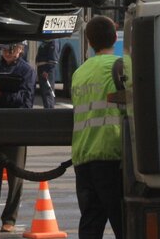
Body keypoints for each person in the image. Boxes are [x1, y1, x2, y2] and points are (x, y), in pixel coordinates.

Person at [71, 15, 125, 239]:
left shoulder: (79, 73)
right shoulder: (121, 67)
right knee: (123, 222)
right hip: (111, 155)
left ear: (89, 42)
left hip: (83, 157)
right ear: (115, 37)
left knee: (91, 222)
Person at [0, 41, 35, 233]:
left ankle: (10, 218)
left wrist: (0, 94)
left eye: (12, 49)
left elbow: (26, 102)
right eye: (5, 49)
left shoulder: (26, 71)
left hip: (16, 129)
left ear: (21, 49)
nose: (8, 52)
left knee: (16, 176)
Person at [34, 39, 59, 109]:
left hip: (46, 69)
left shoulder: (53, 41)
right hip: (42, 68)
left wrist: (47, 70)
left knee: (48, 91)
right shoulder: (46, 41)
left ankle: (50, 111)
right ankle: (47, 109)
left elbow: (53, 58)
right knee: (44, 92)